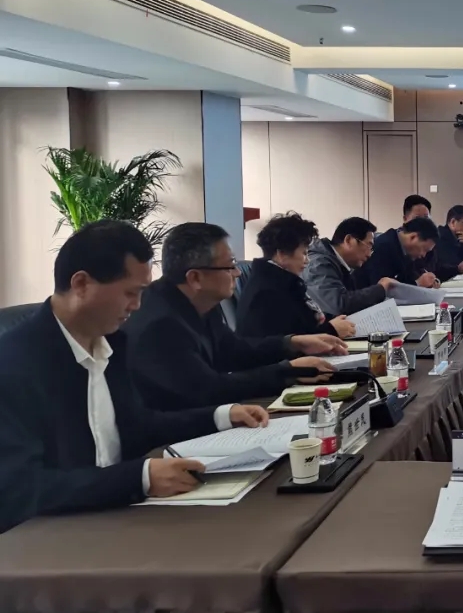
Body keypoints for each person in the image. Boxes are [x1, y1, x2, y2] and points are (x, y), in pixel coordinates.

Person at [0, 221, 270, 533]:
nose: (138, 305)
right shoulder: (14, 363)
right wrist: (139, 478)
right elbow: (20, 490)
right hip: (49, 536)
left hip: (115, 513)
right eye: (131, 293)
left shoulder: (112, 342)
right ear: (81, 284)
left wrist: (221, 416)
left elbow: (138, 426)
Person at [123, 223, 346, 411]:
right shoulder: (161, 325)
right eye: (230, 266)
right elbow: (209, 389)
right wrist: (288, 371)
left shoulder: (200, 302)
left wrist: (292, 343)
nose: (238, 272)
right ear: (195, 278)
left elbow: (235, 351)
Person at [236, 213, 357, 340]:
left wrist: (334, 323)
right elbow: (293, 340)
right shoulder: (267, 293)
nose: (307, 260)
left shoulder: (281, 281)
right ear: (282, 254)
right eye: (304, 253)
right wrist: (332, 329)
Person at [304, 216, 396, 316]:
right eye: (368, 246)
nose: (369, 254)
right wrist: (380, 289)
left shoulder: (341, 265)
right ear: (348, 240)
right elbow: (338, 306)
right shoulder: (318, 264)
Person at [359, 217, 441, 287]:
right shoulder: (384, 247)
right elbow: (380, 289)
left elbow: (406, 279)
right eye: (424, 249)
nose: (423, 255)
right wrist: (418, 283)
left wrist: (427, 282)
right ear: (413, 237)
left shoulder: (405, 250)